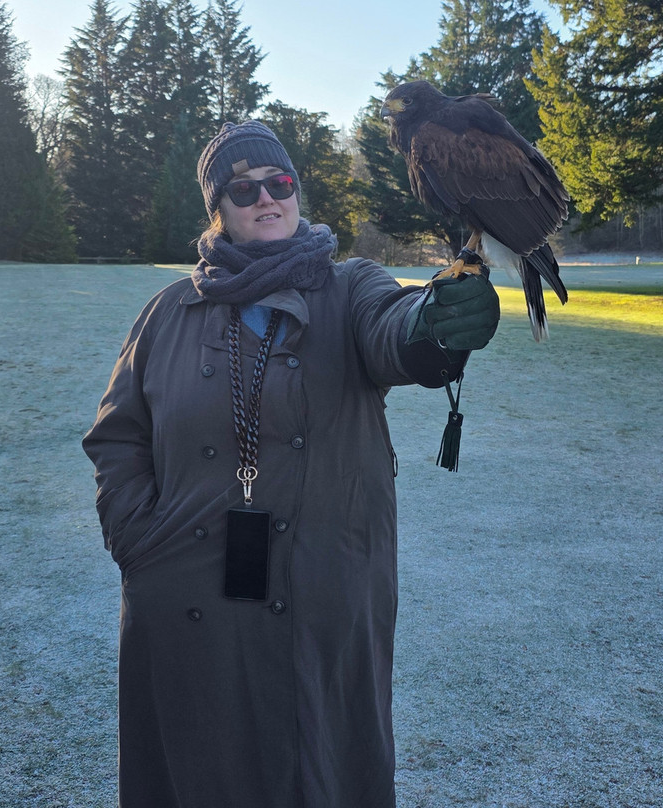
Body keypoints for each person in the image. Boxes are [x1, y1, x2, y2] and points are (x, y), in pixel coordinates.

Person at [82, 120, 499, 808]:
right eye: (242, 190)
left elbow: (393, 328)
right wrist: (138, 542)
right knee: (200, 773)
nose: (266, 199)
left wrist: (431, 323)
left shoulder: (350, 286)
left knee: (320, 769)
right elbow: (118, 436)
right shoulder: (167, 313)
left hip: (323, 594)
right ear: (218, 208)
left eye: (280, 184)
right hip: (187, 597)